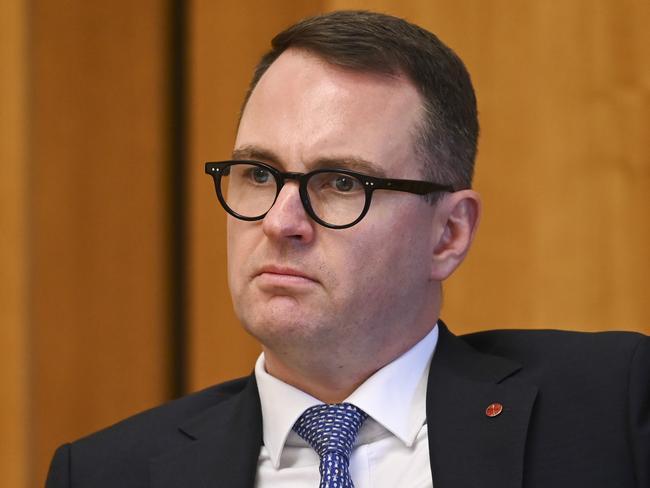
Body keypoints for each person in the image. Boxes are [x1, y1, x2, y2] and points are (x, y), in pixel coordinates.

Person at [46, 10, 649, 488]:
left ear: (449, 234)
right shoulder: (106, 473)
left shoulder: (608, 410)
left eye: (341, 184)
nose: (282, 222)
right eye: (258, 173)